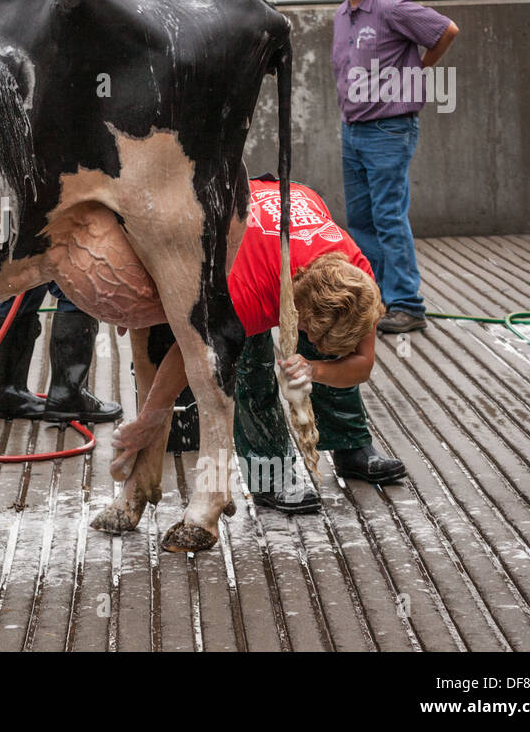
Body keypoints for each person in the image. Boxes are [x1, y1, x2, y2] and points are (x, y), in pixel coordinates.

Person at [140, 175, 406, 515]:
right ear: (296, 309)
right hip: (235, 229)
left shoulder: (357, 273)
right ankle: (269, 474)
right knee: (251, 364)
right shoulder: (247, 293)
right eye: (307, 330)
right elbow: (189, 351)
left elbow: (362, 364)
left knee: (334, 335)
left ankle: (350, 446)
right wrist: (148, 419)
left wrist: (315, 368)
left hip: (290, 213)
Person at [0, 0, 121, 426]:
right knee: (75, 277)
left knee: (19, 275)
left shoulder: (10, 14)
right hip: (68, 172)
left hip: (15, 172)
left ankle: (2, 390)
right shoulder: (89, 16)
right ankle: (67, 393)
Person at [330, 0, 459, 334]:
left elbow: (447, 30)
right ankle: (379, 300)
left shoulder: (388, 7)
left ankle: (408, 304)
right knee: (361, 220)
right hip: (353, 130)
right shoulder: (341, 13)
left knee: (388, 217)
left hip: (389, 129)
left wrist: (419, 69)